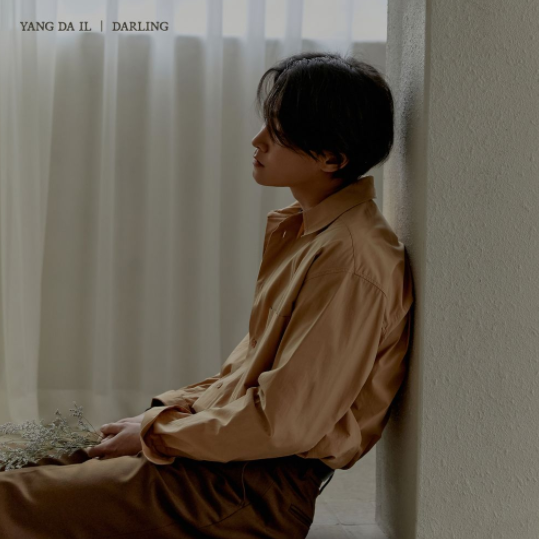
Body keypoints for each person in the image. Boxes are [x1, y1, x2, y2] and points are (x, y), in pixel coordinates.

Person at [0, 51, 413, 538]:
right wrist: (157, 420)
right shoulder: (312, 234)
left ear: (332, 158)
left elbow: (284, 424)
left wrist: (157, 434)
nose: (257, 140)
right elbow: (244, 379)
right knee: (20, 467)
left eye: (278, 132)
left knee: (10, 501)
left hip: (247, 489)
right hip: (222, 460)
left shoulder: (351, 260)